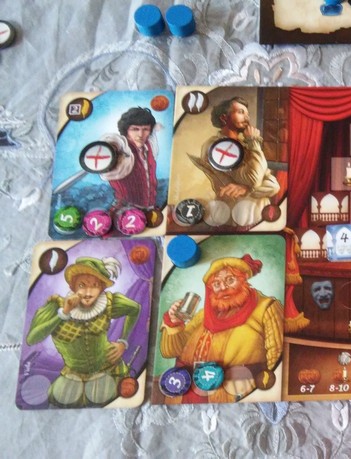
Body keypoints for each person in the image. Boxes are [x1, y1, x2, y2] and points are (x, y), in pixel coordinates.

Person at [160, 254, 284, 403]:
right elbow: (171, 352)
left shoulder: (266, 308)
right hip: (184, 391)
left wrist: (262, 392)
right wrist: (174, 323)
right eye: (216, 284)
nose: (223, 287)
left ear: (243, 278)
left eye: (230, 280)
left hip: (236, 394)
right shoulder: (205, 313)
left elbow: (277, 355)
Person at [26, 257, 141, 407]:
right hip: (73, 375)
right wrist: (64, 313)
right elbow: (32, 339)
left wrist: (123, 342)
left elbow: (135, 309)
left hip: (110, 369)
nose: (88, 292)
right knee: (58, 401)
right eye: (82, 285)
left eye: (95, 285)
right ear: (72, 286)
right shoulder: (55, 306)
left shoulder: (108, 304)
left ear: (101, 288)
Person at [189, 96, 280, 227]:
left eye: (247, 114)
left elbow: (274, 185)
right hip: (237, 217)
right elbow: (253, 179)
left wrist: (247, 189)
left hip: (259, 216)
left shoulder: (246, 145)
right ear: (224, 118)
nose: (247, 118)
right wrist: (254, 142)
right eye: (241, 112)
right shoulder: (215, 146)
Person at [100, 107, 159, 209]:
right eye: (135, 129)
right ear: (126, 130)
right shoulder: (122, 150)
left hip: (150, 209)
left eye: (145, 129)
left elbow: (152, 136)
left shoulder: (149, 146)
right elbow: (113, 141)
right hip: (125, 211)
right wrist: (111, 149)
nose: (140, 135)